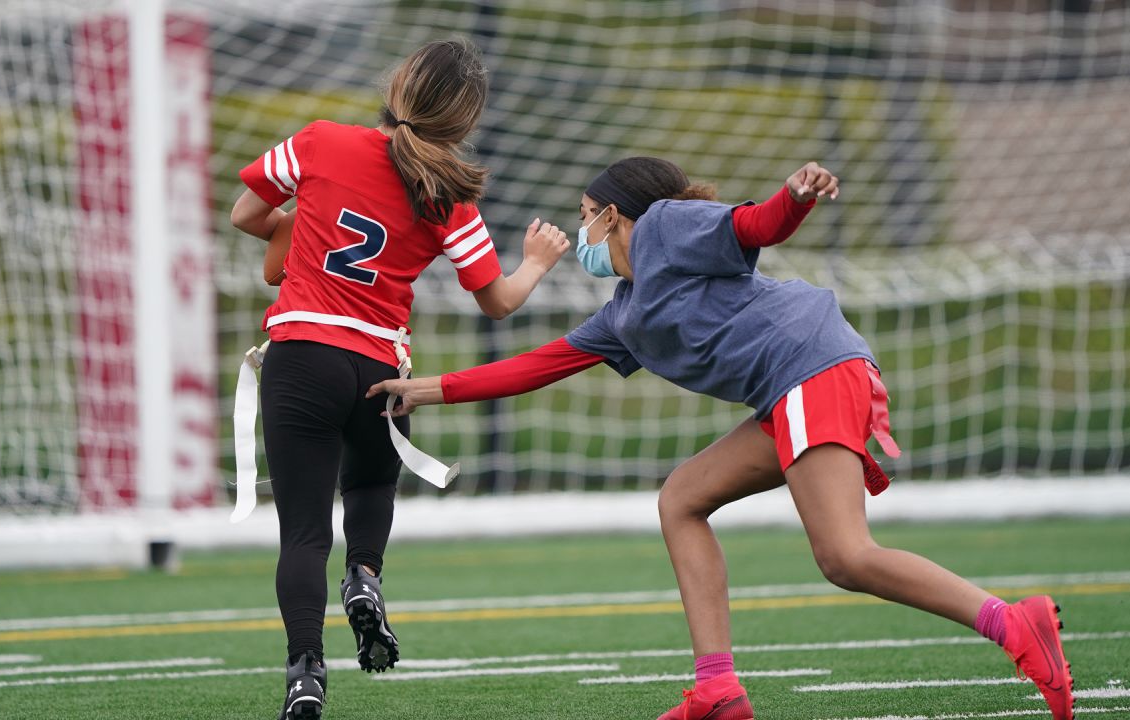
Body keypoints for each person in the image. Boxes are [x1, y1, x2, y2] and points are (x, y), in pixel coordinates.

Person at [367, 157, 1075, 720]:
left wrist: (796, 195)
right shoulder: (624, 315)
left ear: (614, 215)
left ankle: (1015, 624)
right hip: (792, 386)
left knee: (845, 556)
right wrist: (425, 389)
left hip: (814, 366)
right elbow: (535, 368)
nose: (579, 235)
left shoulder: (667, 226)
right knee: (682, 499)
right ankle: (718, 691)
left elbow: (757, 224)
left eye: (584, 219)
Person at [230, 37, 570, 720]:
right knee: (371, 484)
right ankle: (366, 576)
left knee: (301, 533)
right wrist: (537, 260)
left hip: (303, 354)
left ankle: (305, 673)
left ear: (400, 84)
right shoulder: (448, 194)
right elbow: (498, 301)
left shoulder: (322, 142)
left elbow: (245, 214)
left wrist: (294, 229)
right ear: (463, 123)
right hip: (383, 371)